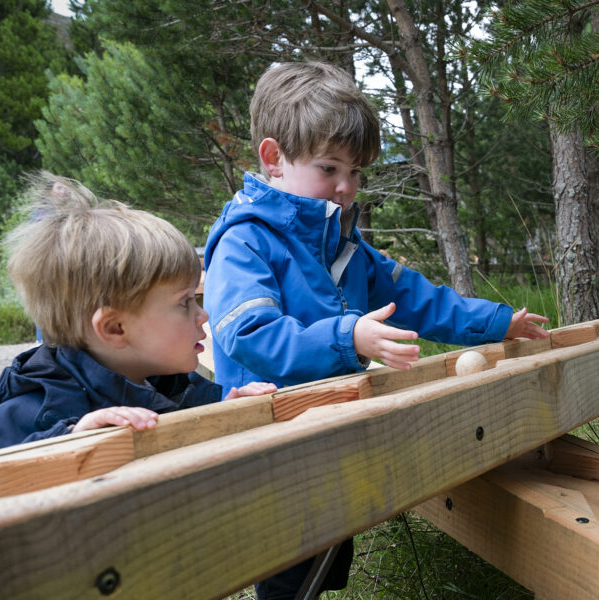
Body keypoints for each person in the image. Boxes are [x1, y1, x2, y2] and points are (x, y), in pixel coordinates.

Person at [203, 61, 549, 599]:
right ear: (274, 159)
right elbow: (250, 335)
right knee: (288, 569)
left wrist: (497, 321)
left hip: (330, 430)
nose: (345, 187)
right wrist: (348, 338)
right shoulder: (246, 243)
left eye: (356, 172)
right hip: (269, 444)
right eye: (329, 168)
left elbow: (414, 298)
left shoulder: (344, 243)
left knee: (325, 550)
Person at [0, 173, 276, 460]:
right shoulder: (40, 405)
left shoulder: (169, 385)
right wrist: (67, 443)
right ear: (115, 328)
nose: (202, 316)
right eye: (184, 302)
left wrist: (224, 410)